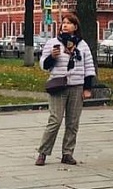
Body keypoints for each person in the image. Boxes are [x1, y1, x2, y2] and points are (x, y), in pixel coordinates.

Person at [35, 13, 96, 166]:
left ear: (75, 27)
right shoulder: (53, 42)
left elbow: (88, 66)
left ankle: (67, 153)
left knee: (73, 122)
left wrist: (87, 88)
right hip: (58, 86)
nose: (65, 25)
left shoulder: (82, 45)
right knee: (55, 120)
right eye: (63, 23)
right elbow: (44, 65)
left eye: (69, 23)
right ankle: (43, 152)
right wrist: (52, 57)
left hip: (76, 86)